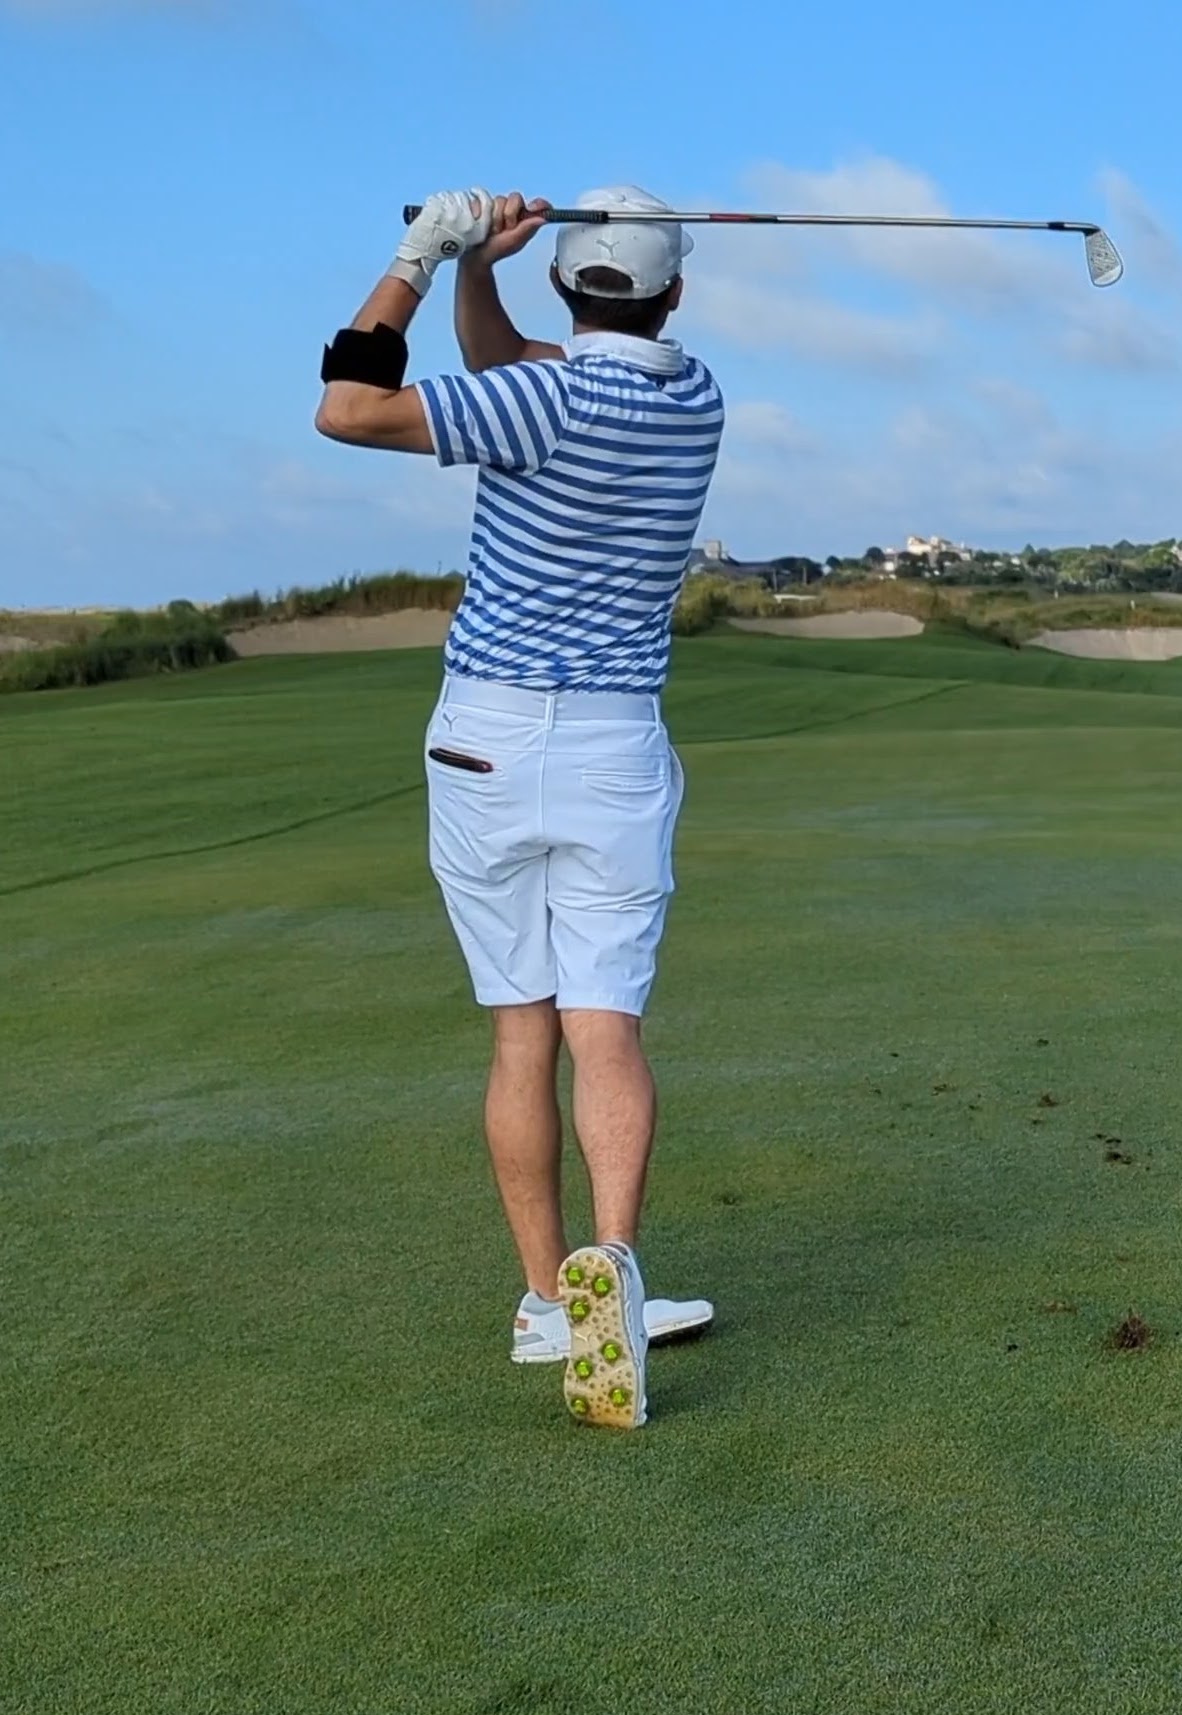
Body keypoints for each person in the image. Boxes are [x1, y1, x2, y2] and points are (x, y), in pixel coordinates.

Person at [314, 186, 727, 1430]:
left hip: (484, 740)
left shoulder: (537, 401)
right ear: (673, 295)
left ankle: (546, 1301)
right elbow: (520, 373)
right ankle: (612, 1271)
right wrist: (482, 276)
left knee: (521, 1034)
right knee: (606, 1031)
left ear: (568, 285)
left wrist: (423, 255)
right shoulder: (692, 395)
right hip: (612, 748)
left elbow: (346, 408)